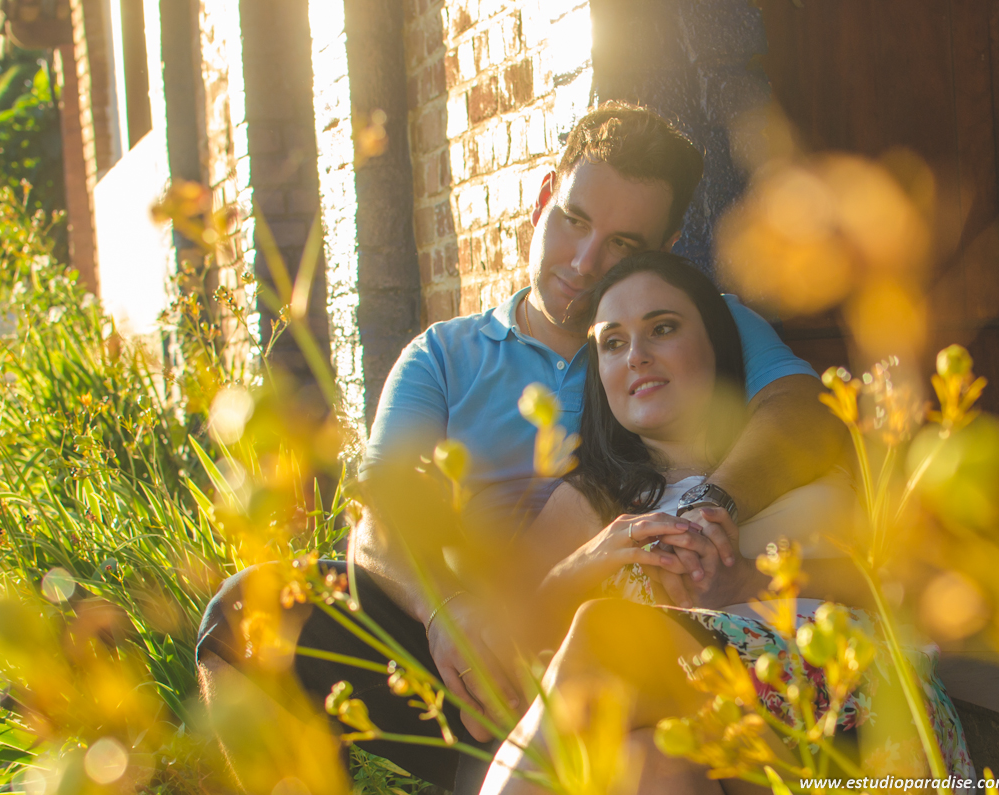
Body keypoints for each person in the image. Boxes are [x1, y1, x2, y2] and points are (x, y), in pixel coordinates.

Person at [197, 102, 849, 790]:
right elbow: (382, 515)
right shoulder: (445, 355)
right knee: (248, 614)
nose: (586, 260)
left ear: (664, 246)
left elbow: (805, 412)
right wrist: (448, 611)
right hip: (454, 644)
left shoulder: (686, 321)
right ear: (543, 199)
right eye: (574, 220)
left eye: (626, 244)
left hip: (616, 635)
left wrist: (712, 506)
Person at [478, 252, 975, 795]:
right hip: (722, 737)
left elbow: (919, 586)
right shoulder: (589, 501)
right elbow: (502, 651)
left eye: (661, 329)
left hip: (854, 712)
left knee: (609, 629)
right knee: (650, 763)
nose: (636, 356)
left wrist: (746, 582)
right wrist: (583, 564)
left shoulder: (803, 445)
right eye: (613, 344)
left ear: (716, 341)